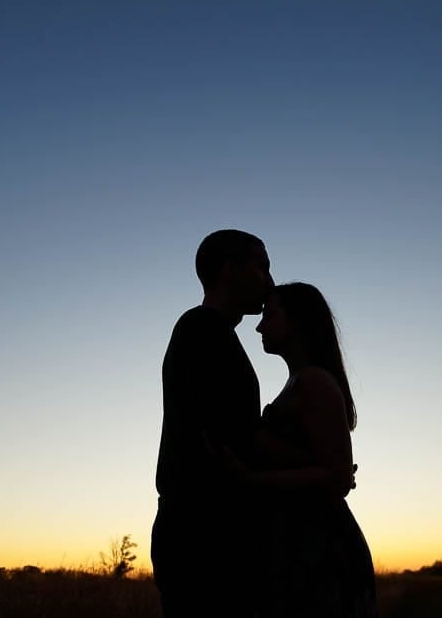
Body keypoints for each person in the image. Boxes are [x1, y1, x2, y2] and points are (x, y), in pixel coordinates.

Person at [226, 282, 377, 617]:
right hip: (300, 544)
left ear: (299, 322)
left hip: (318, 549)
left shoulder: (314, 382)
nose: (260, 325)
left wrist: (249, 480)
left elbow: (336, 478)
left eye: (271, 315)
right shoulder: (299, 383)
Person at [151, 229, 274, 617]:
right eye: (261, 267)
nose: (270, 282)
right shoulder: (202, 329)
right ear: (228, 270)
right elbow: (225, 436)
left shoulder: (212, 333)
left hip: (206, 527)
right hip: (202, 532)